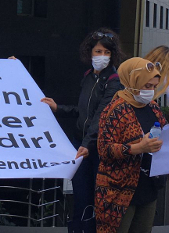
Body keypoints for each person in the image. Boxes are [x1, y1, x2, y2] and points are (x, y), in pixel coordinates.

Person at [40, 28, 125, 233]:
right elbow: (83, 112)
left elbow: (101, 117)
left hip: (97, 149)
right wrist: (58, 108)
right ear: (90, 52)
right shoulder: (88, 76)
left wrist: (87, 144)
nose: (102, 56)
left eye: (107, 52)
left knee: (96, 199)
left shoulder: (114, 81)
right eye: (98, 51)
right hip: (81, 144)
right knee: (80, 196)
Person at [95, 57, 169, 233]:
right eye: (147, 86)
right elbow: (104, 149)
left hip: (148, 188)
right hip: (119, 191)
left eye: (153, 86)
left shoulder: (153, 108)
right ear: (133, 81)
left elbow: (163, 137)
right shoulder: (116, 109)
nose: (150, 91)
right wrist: (138, 148)